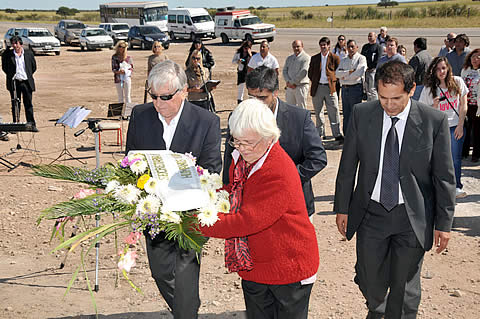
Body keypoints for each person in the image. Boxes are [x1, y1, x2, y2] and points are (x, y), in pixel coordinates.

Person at [334, 61, 455, 319]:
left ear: (412, 90)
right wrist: (342, 207)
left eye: (396, 98)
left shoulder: (433, 121)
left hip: (410, 217)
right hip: (370, 214)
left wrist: (444, 223)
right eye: (382, 97)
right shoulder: (362, 114)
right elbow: (347, 166)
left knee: (405, 287)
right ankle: (377, 307)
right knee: (369, 278)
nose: (388, 105)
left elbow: (444, 177)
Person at [201, 98, 319, 319]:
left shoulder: (277, 170)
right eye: (236, 142)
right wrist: (203, 197)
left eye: (248, 143)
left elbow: (248, 220)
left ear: (270, 137)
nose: (242, 149)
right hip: (256, 264)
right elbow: (234, 190)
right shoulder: (245, 157)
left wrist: (199, 222)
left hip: (288, 268)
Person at [125, 60, 222, 319]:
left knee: (187, 271)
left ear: (184, 92)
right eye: (153, 96)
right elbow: (130, 160)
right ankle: (187, 306)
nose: (158, 103)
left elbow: (212, 168)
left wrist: (185, 175)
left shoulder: (207, 121)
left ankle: (186, 312)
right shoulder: (140, 115)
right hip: (154, 214)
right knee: (161, 272)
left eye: (165, 97)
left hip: (190, 214)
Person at [223, 66, 327, 222]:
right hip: (251, 207)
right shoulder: (238, 117)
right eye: (252, 98)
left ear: (276, 92)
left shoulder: (299, 118)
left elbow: (318, 158)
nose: (257, 104)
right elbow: (229, 160)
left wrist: (284, 181)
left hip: (294, 207)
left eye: (262, 98)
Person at [420, 56, 468, 198]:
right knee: (437, 159)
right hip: (438, 128)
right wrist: (434, 106)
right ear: (433, 71)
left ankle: (456, 186)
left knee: (455, 158)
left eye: (443, 68)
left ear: (448, 68)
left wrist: (460, 125)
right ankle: (438, 187)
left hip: (455, 126)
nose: (441, 72)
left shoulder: (458, 82)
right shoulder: (430, 89)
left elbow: (463, 105)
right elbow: (422, 111)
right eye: (438, 69)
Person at [308, 36, 343, 142]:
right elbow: (310, 73)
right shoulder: (314, 58)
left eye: (325, 45)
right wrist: (315, 81)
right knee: (318, 112)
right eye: (321, 45)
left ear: (329, 46)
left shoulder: (335, 58)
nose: (323, 47)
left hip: (330, 88)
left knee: (334, 110)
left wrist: (332, 82)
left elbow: (338, 72)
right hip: (317, 87)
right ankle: (320, 133)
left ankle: (336, 134)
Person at [1, 35, 38, 129]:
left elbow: (33, 67)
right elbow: (5, 68)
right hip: (14, 83)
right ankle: (16, 124)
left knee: (28, 104)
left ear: (20, 44)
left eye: (16, 43)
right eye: (13, 43)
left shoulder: (29, 53)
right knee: (15, 104)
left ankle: (31, 124)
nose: (14, 45)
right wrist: (12, 76)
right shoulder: (8, 55)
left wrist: (27, 75)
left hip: (26, 82)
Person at [335, 39, 367, 135]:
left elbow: (359, 73)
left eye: (353, 46)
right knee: (346, 114)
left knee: (355, 113)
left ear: (357, 47)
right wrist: (349, 72)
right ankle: (347, 135)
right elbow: (337, 74)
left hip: (355, 88)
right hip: (345, 89)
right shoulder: (344, 60)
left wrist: (345, 76)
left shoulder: (361, 58)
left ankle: (356, 136)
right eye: (349, 47)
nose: (351, 49)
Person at [461, 48, 480, 162]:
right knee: (465, 128)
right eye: (473, 56)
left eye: (478, 57)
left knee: (477, 131)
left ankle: (476, 154)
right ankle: (464, 152)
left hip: (477, 106)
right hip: (466, 104)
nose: (475, 59)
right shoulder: (465, 70)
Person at [283, 40, 311, 108]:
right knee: (290, 108)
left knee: (302, 108)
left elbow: (303, 72)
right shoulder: (289, 58)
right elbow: (284, 71)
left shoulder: (306, 58)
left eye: (298, 46)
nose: (296, 48)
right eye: (294, 47)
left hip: (301, 86)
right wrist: (288, 82)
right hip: (290, 87)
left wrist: (293, 82)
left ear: (302, 46)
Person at [361, 32, 383, 101]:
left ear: (375, 37)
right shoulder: (365, 47)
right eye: (368, 36)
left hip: (373, 71)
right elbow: (362, 57)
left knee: (372, 89)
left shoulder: (378, 47)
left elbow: (378, 59)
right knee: (367, 89)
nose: (369, 38)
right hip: (365, 70)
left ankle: (374, 104)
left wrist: (372, 67)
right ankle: (369, 103)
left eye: (371, 36)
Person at [232, 40, 254, 104]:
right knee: (240, 88)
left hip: (249, 73)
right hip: (241, 72)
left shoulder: (252, 54)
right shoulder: (238, 53)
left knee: (250, 88)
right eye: (244, 48)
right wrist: (238, 61)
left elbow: (254, 63)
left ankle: (251, 102)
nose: (245, 50)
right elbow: (233, 61)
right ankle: (239, 102)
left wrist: (250, 55)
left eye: (247, 48)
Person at [111, 40, 133, 104]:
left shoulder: (128, 58)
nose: (121, 48)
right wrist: (119, 72)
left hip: (127, 78)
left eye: (123, 47)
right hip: (118, 79)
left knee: (127, 96)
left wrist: (126, 71)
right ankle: (120, 112)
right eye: (120, 46)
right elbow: (113, 69)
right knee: (120, 97)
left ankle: (129, 112)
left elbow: (131, 68)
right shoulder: (114, 57)